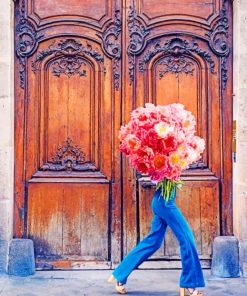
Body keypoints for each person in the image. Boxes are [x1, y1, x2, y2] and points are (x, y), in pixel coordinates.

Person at [108, 187, 205, 295]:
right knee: (187, 239)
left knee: (153, 242)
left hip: (161, 201)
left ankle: (120, 273)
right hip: (165, 203)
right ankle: (189, 283)